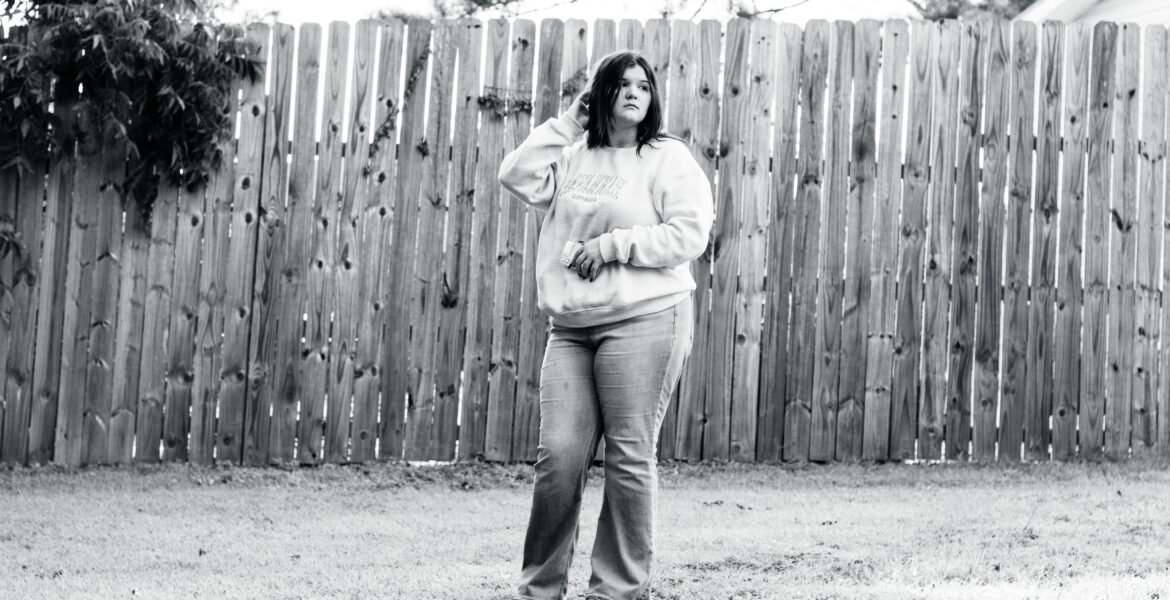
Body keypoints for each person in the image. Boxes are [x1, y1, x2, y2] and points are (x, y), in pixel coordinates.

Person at [498, 50, 714, 600]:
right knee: (559, 460)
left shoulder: (667, 157)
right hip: (570, 329)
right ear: (601, 94)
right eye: (622, 85)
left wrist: (613, 245)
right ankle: (538, 589)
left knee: (627, 455)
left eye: (644, 85)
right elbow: (515, 175)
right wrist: (569, 122)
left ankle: (616, 591)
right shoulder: (576, 154)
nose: (635, 93)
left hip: (646, 320)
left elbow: (689, 234)